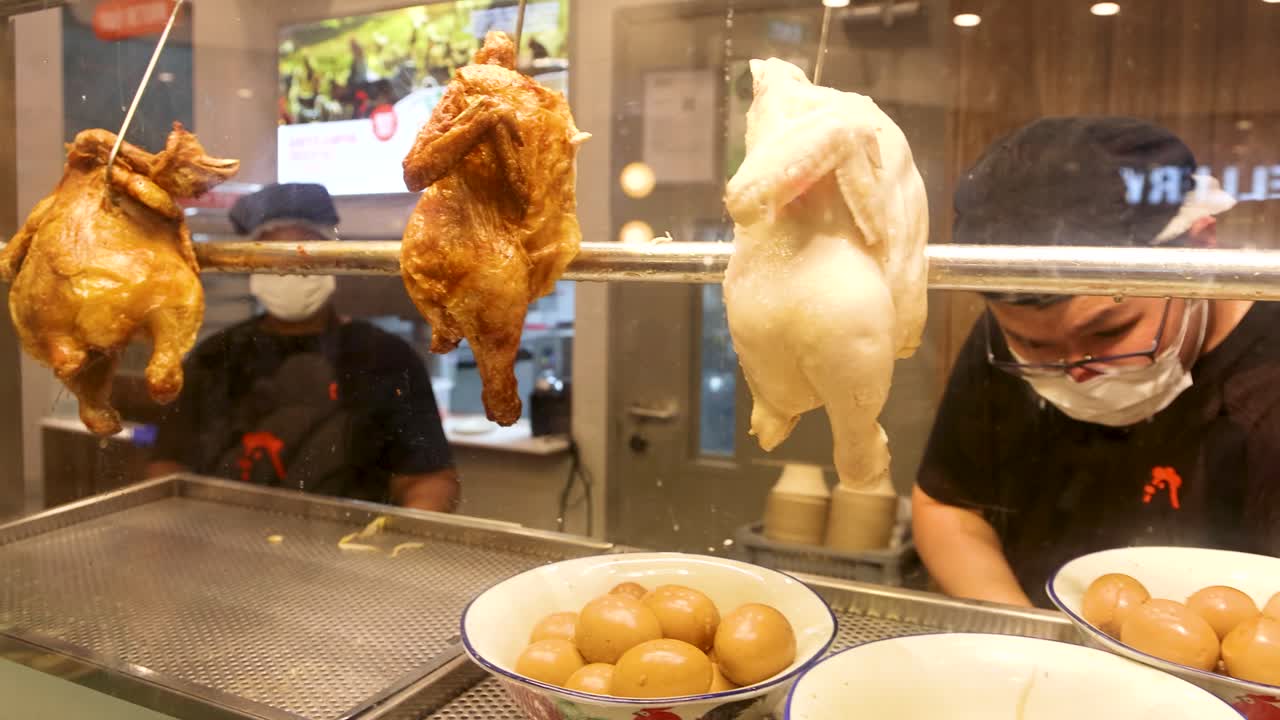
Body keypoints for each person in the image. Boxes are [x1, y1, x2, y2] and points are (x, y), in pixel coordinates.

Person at [912, 117, 1280, 608]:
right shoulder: (1013, 343)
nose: (1074, 369)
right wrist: (1028, 639)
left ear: (1200, 252)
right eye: (1034, 345)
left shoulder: (1267, 376)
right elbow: (949, 505)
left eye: (1109, 331)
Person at [147, 183, 460, 513]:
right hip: (225, 545)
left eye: (307, 250)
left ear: (333, 258)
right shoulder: (214, 356)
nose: (291, 268)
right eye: (271, 254)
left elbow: (429, 479)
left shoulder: (386, 358)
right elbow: (167, 465)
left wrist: (400, 543)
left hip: (348, 550)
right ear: (249, 263)